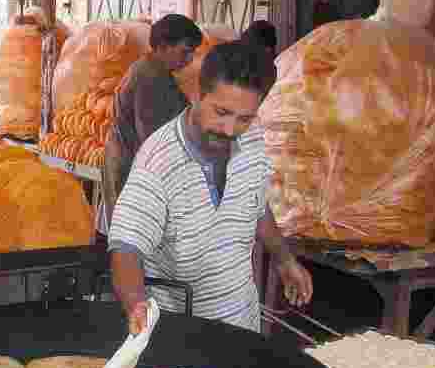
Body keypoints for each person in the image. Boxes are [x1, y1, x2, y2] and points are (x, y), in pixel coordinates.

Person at [109, 41, 313, 335]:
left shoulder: (252, 138)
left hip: (241, 325)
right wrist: (136, 304)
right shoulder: (159, 163)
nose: (230, 130)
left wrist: (284, 259)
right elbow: (126, 248)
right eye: (221, 112)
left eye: (244, 118)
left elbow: (255, 204)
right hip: (180, 333)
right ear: (196, 95)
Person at [100, 14, 202, 232]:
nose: (190, 59)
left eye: (193, 52)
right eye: (185, 51)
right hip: (132, 172)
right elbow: (154, 138)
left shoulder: (157, 72)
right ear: (164, 46)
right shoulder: (149, 77)